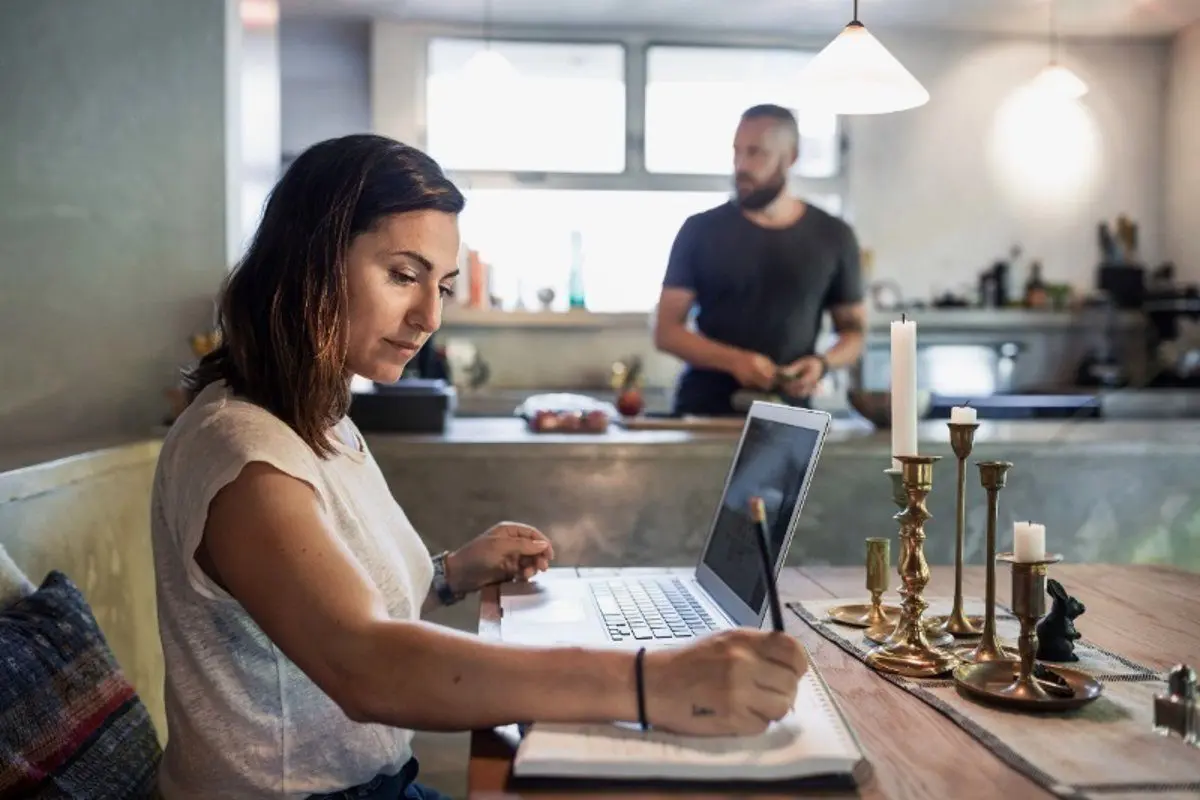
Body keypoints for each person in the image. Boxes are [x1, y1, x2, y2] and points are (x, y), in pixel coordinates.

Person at [151, 133, 809, 799]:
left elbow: (316, 597)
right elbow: (365, 664)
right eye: (403, 275)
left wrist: (450, 572)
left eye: (442, 285)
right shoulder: (241, 451)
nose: (430, 316)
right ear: (310, 262)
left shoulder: (318, 419)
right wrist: (653, 681)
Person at [653, 104, 867, 416]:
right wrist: (735, 361)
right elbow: (666, 331)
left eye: (756, 153)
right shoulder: (699, 230)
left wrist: (822, 364)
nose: (741, 165)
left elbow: (854, 334)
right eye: (736, 151)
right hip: (704, 415)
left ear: (790, 157)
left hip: (792, 417)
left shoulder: (834, 236)